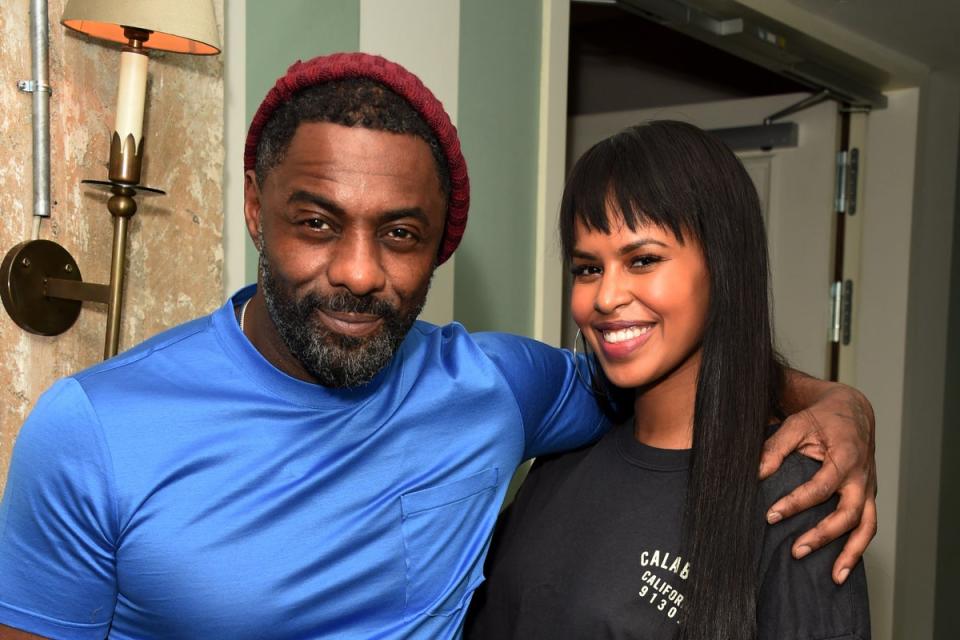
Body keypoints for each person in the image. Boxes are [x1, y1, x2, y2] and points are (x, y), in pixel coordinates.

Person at [0, 54, 875, 640]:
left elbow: (671, 363)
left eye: (401, 233)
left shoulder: (500, 388)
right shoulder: (94, 431)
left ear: (438, 248)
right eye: (316, 222)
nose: (358, 271)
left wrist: (838, 404)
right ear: (255, 206)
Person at [465, 121, 871, 639]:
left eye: (643, 260)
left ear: (723, 266)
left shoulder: (796, 495)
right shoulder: (565, 452)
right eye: (588, 268)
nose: (606, 296)